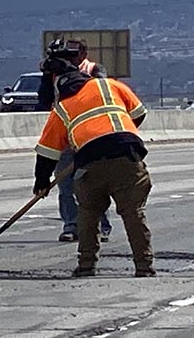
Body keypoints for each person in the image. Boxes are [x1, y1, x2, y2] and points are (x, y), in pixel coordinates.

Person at [32, 45, 154, 278]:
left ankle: (87, 266)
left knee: (88, 213)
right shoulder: (111, 85)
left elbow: (47, 151)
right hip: (128, 156)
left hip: (90, 163)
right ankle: (144, 266)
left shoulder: (62, 107)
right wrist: (119, 133)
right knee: (133, 213)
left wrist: (41, 182)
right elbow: (138, 112)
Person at [39, 38, 113, 243]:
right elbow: (44, 100)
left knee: (94, 183)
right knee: (66, 185)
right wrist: (47, 76)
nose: (69, 59)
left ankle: (101, 224)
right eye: (65, 56)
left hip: (90, 135)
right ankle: (71, 225)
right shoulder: (55, 73)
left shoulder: (94, 69)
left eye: (72, 55)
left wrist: (72, 73)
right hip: (65, 133)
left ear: (82, 54)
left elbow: (100, 91)